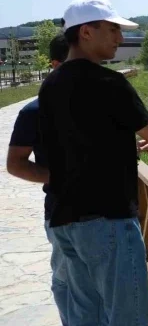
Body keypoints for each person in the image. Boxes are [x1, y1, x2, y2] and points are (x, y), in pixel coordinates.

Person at [37, 0, 148, 326]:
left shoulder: (50, 85)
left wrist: (125, 147)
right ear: (86, 33)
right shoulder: (110, 83)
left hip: (65, 221)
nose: (119, 39)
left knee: (85, 314)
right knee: (127, 314)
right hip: (108, 220)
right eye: (112, 30)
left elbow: (78, 144)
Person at [6, 33, 70, 325]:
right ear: (55, 65)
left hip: (110, 214)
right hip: (61, 213)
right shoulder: (33, 111)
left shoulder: (100, 105)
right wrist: (59, 177)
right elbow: (16, 164)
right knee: (66, 279)